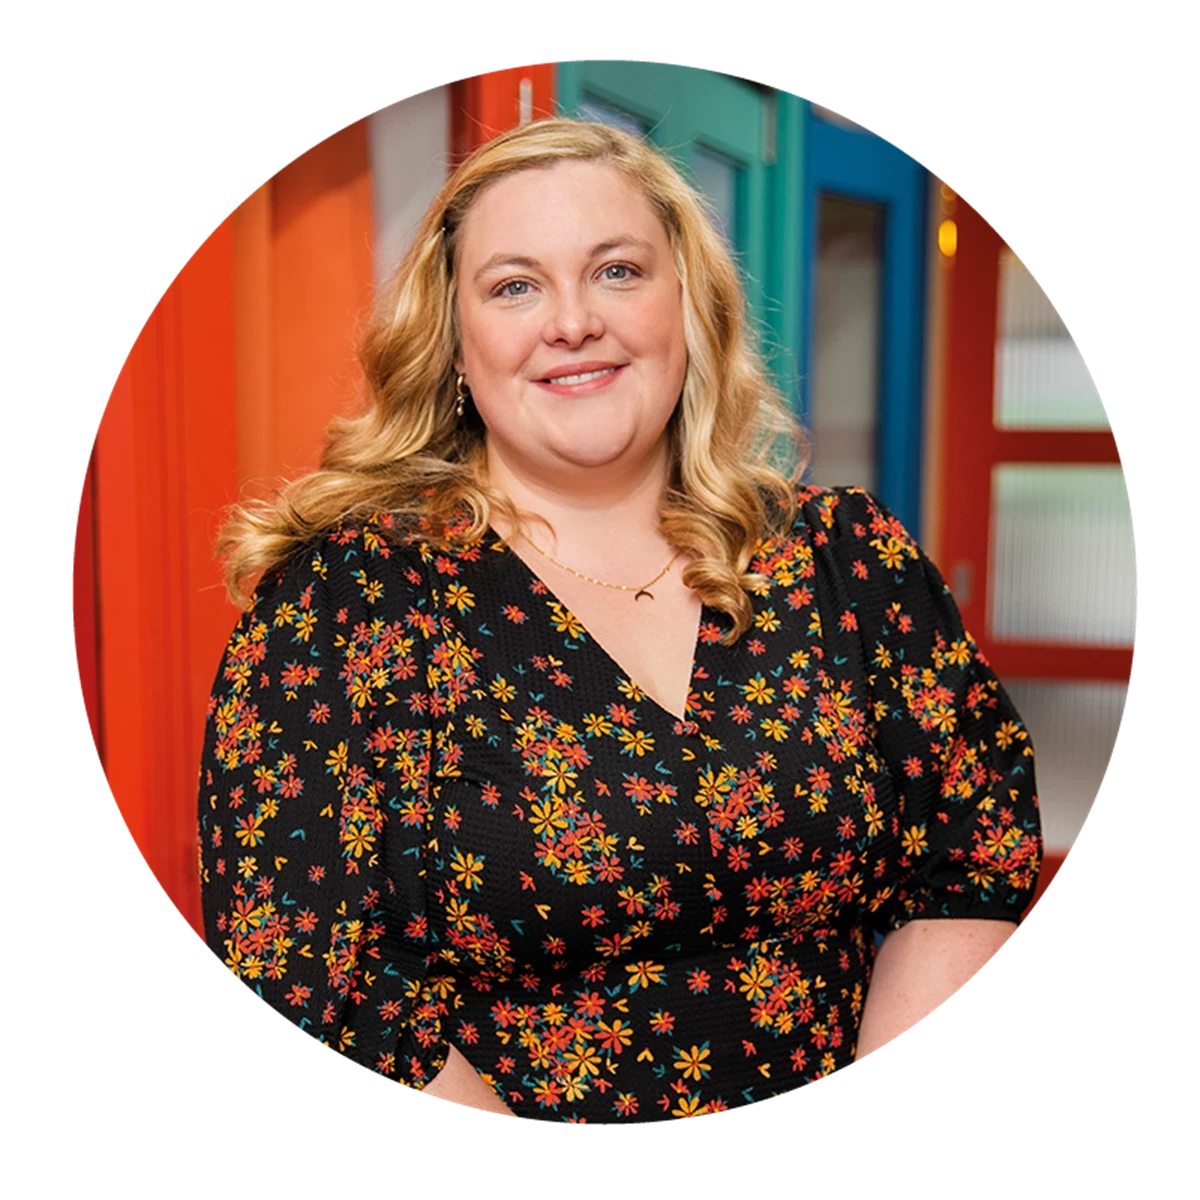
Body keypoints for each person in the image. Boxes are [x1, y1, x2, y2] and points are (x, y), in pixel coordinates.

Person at [197, 116, 1043, 1127]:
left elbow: (966, 862)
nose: (571, 322)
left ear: (687, 307)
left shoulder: (848, 561)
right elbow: (307, 974)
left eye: (617, 271)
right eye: (515, 285)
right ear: (456, 347)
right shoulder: (346, 606)